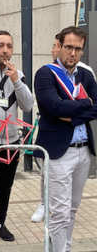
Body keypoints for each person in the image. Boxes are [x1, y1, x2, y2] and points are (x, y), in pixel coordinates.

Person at [33, 26, 97, 252]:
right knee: (59, 212)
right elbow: (55, 107)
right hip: (58, 153)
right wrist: (86, 103)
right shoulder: (45, 74)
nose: (73, 53)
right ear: (58, 46)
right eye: (69, 47)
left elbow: (96, 107)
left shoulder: (86, 75)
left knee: (72, 209)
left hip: (84, 151)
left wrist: (73, 116)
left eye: (78, 49)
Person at [0, 30, 33, 241]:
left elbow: (27, 105)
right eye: (0, 45)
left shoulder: (17, 73)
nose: (5, 50)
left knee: (5, 186)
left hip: (11, 142)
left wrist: (17, 81)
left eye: (9, 46)